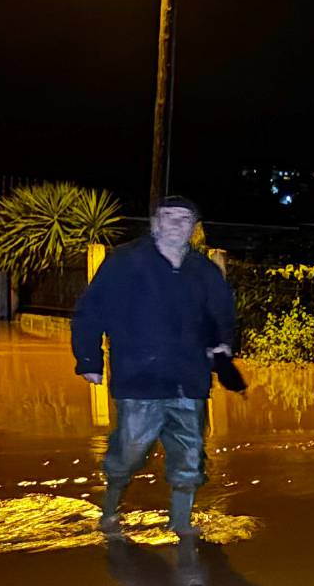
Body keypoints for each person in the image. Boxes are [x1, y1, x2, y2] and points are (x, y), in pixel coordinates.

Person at [71, 195, 236, 537]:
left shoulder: (204, 270)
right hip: (139, 380)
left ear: (194, 228)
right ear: (154, 223)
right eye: (169, 215)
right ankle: (110, 510)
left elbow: (222, 315)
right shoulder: (125, 262)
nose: (176, 223)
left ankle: (181, 523)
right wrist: (89, 359)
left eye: (184, 218)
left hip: (189, 380)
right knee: (128, 454)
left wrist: (223, 347)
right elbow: (91, 310)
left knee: (190, 455)